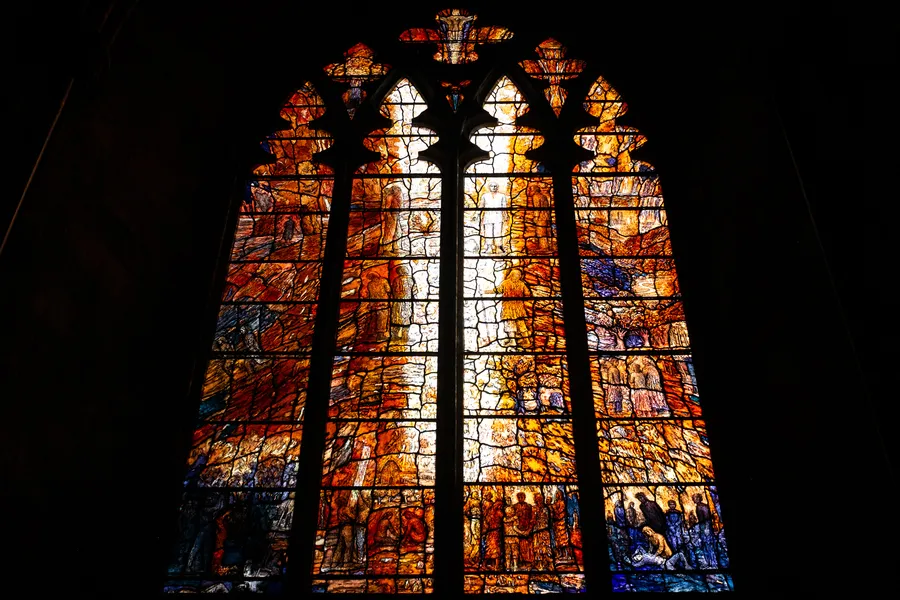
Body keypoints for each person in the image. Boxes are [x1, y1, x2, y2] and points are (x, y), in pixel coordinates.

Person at [489, 268, 530, 346]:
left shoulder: (506, 283)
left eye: (519, 275)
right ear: (512, 275)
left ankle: (514, 341)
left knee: (511, 323)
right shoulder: (521, 284)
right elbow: (527, 293)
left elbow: (497, 290)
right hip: (518, 307)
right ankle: (525, 340)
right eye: (517, 275)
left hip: (509, 307)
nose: (518, 276)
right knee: (520, 324)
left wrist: (486, 291)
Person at [480, 181, 507, 253]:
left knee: (498, 232)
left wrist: (505, 215)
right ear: (489, 187)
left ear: (497, 187)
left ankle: (499, 247)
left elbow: (504, 207)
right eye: (492, 186)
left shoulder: (502, 196)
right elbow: (481, 206)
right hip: (488, 216)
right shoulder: (485, 196)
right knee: (488, 232)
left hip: (498, 216)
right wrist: (477, 214)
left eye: (495, 186)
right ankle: (489, 247)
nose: (494, 187)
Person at [512, 491, 534, 569]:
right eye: (519, 497)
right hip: (518, 528)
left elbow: (532, 518)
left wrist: (529, 529)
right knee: (520, 546)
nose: (521, 498)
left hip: (527, 527)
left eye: (522, 497)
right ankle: (521, 562)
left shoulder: (529, 506)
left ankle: (529, 562)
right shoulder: (514, 507)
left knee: (528, 546)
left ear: (524, 497)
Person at [531, 493, 552, 570]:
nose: (539, 500)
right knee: (538, 546)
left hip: (544, 529)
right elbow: (533, 520)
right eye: (538, 499)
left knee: (545, 546)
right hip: (538, 529)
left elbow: (548, 519)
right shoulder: (535, 508)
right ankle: (540, 564)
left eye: (540, 499)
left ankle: (547, 563)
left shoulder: (545, 508)